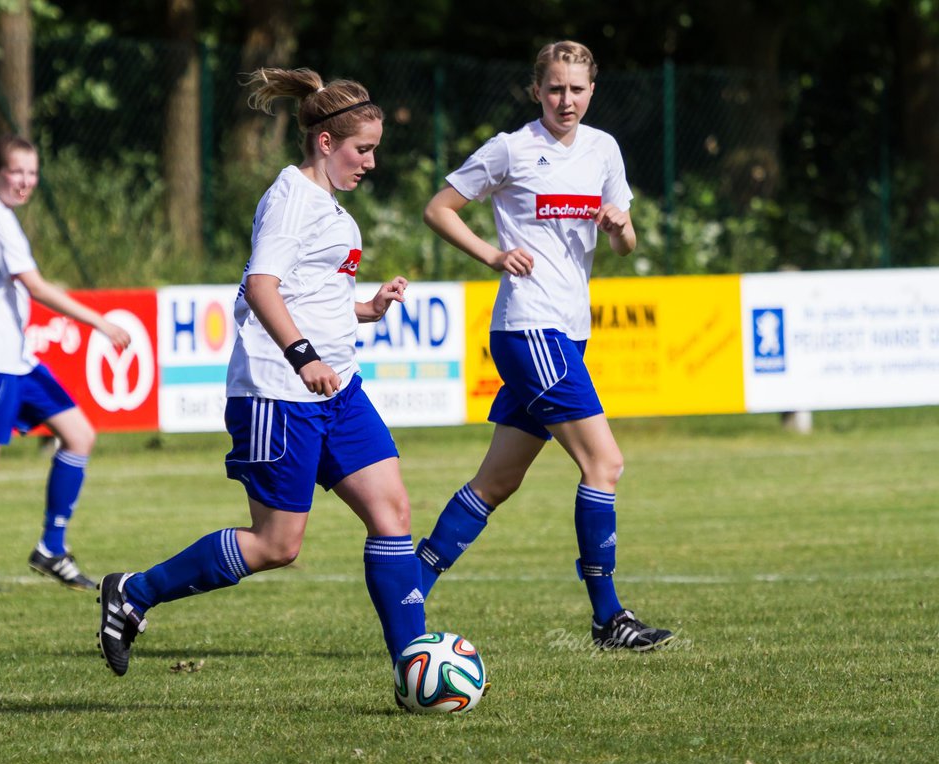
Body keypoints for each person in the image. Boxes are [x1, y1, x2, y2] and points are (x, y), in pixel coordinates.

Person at [96, 68, 426, 678]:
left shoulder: (326, 203)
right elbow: (261, 285)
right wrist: (304, 357)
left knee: (393, 515)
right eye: (363, 150)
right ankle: (133, 593)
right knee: (277, 544)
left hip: (339, 391)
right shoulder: (290, 197)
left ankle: (414, 665)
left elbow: (308, 292)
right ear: (325, 142)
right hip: (279, 391)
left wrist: (367, 309)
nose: (371, 163)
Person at [415, 41, 674, 650]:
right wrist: (493, 254)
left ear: (592, 92)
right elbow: (439, 208)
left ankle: (407, 586)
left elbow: (625, 248)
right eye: (555, 88)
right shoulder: (512, 149)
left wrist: (621, 227)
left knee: (496, 482)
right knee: (604, 463)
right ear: (537, 90)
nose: (566, 100)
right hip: (528, 328)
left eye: (577, 89)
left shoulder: (603, 149)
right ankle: (609, 618)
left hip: (568, 332)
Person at [0, 135, 131, 594]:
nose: (25, 181)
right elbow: (38, 288)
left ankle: (50, 548)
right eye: (16, 172)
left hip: (18, 360)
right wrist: (99, 322)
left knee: (80, 435)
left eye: (32, 173)